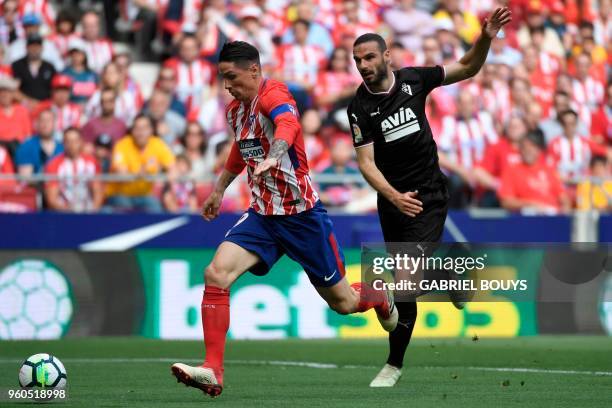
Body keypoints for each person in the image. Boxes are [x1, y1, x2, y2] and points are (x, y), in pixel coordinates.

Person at [170, 41, 398, 398]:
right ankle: (213, 370)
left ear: (254, 71)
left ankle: (378, 294)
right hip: (263, 217)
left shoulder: (273, 93)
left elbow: (287, 124)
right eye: (222, 78)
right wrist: (218, 190)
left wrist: (276, 154)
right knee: (216, 273)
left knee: (344, 304)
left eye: (232, 77)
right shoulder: (235, 111)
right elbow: (239, 149)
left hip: (302, 217)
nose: (227, 85)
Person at [347, 7, 512, 387]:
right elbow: (366, 164)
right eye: (358, 60)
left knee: (403, 282)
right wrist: (392, 196)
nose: (363, 65)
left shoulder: (413, 81)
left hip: (428, 196)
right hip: (393, 203)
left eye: (370, 57)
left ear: (387, 56)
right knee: (406, 290)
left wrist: (484, 37)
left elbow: (467, 68)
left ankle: (392, 366)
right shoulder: (359, 107)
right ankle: (454, 278)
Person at [105, 114, 175, 213]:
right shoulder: (122, 145)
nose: (141, 132)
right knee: (125, 206)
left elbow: (172, 168)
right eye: (137, 128)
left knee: (155, 207)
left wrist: (167, 187)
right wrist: (141, 171)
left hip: (144, 195)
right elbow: (122, 175)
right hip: (119, 194)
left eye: (144, 128)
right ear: (132, 131)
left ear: (151, 130)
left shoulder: (157, 144)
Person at [498, 131, 571, 214]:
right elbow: (506, 202)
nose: (528, 150)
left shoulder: (548, 170)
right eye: (524, 147)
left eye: (532, 147)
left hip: (552, 217)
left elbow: (563, 198)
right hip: (527, 218)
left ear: (539, 150)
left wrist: (564, 211)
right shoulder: (511, 171)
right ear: (520, 150)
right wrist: (530, 205)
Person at [44, 127, 103, 212]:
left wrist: (92, 211)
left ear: (81, 142)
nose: (72, 145)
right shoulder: (53, 164)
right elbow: (52, 198)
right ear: (63, 143)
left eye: (75, 141)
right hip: (63, 213)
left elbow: (98, 192)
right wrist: (68, 211)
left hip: (88, 210)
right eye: (68, 141)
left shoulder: (92, 163)